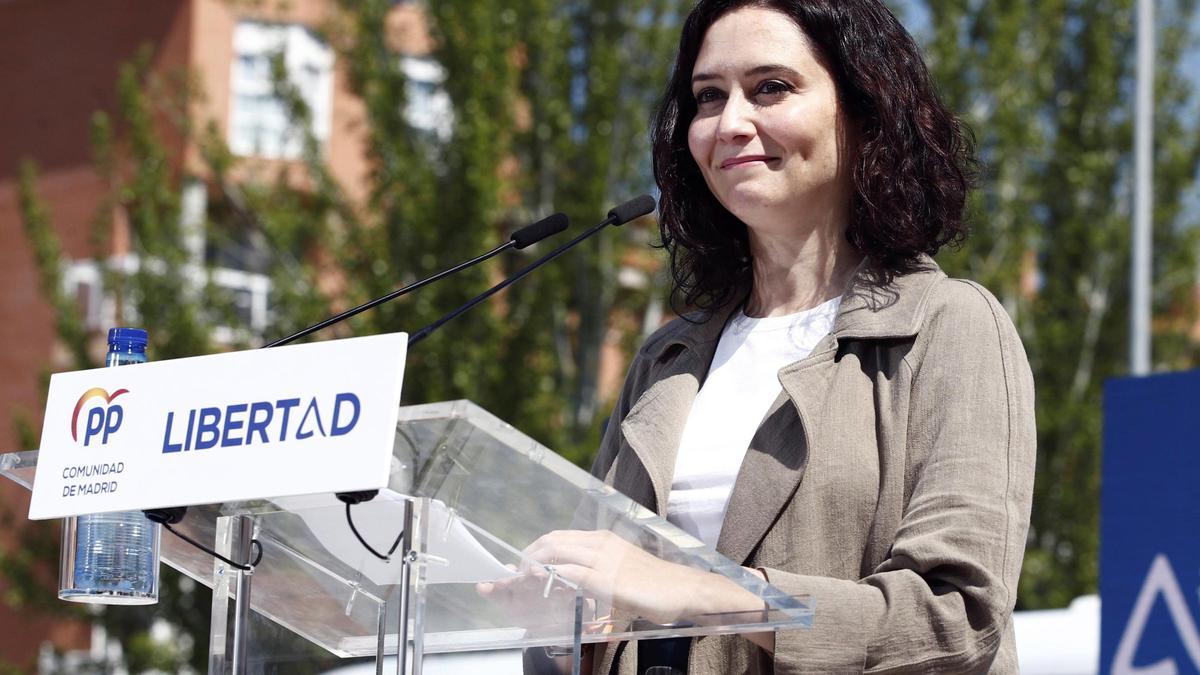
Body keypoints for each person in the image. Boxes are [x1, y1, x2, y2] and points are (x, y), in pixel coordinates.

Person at [507, 0, 1036, 672]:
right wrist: (559, 623)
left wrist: (703, 591)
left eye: (771, 88)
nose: (729, 123)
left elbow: (956, 618)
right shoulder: (665, 359)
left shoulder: (947, 327)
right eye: (707, 97)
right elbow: (605, 607)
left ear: (865, 112)